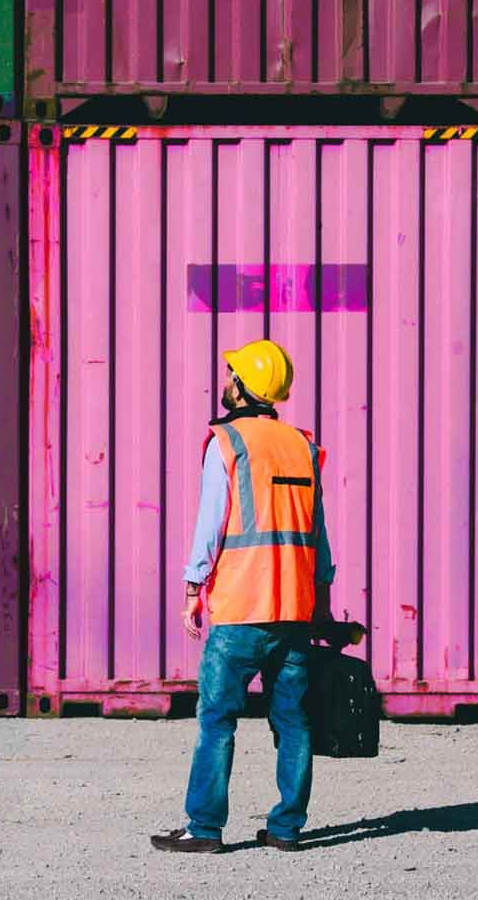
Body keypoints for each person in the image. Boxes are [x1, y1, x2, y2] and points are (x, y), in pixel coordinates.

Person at [151, 338, 334, 856]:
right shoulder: (301, 444)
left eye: (231, 373)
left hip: (238, 610)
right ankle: (286, 828)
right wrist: (321, 599)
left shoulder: (226, 443)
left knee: (216, 720)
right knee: (294, 721)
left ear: (242, 386)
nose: (225, 380)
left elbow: (210, 524)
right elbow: (318, 533)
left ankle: (204, 829)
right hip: (293, 611)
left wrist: (193, 588)